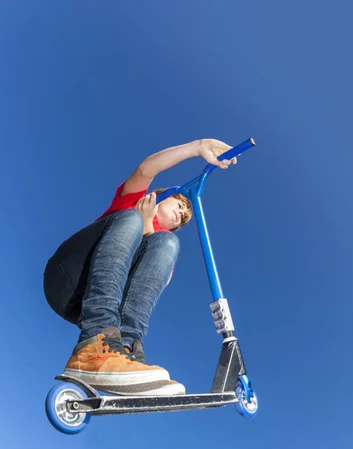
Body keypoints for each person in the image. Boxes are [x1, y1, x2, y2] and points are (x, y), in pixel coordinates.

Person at [43, 138, 236, 396]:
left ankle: (122, 350)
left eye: (183, 219)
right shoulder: (132, 203)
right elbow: (147, 169)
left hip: (83, 308)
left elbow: (154, 284)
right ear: (160, 197)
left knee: (167, 243)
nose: (181, 215)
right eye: (179, 205)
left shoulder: (162, 239)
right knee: (132, 219)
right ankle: (94, 345)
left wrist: (150, 229)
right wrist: (197, 147)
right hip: (68, 276)